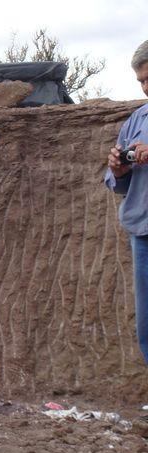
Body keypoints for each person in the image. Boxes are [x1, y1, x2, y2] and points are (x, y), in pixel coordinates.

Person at [104, 39, 148, 364]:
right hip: (142, 233)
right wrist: (117, 169)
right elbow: (117, 184)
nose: (146, 87)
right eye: (141, 81)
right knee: (147, 323)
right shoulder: (136, 120)